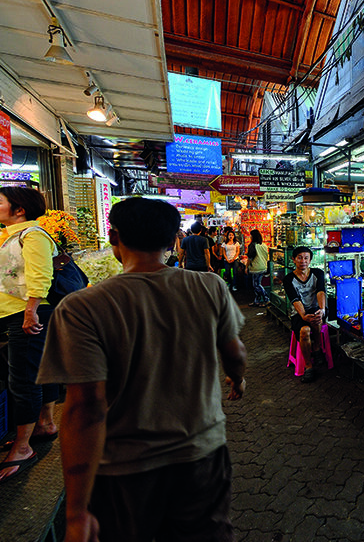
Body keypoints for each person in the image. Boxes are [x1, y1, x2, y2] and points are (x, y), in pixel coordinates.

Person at [37, 197, 247, 542]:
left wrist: (77, 511)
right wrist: (237, 379)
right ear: (171, 242)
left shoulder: (82, 307)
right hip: (201, 456)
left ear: (113, 237)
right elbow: (235, 351)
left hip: (123, 470)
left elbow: (84, 408)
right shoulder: (208, 287)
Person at [0, 187, 59, 481]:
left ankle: (23, 448)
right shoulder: (12, 235)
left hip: (27, 312)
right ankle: (45, 424)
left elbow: (40, 273)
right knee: (37, 372)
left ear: (19, 209)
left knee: (23, 379)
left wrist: (31, 309)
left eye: (0, 202)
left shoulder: (32, 235)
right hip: (19, 311)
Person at [282, 246, 327, 383]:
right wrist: (303, 316)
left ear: (310, 260)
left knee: (317, 317)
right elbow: (295, 299)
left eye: (306, 258)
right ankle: (308, 366)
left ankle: (317, 347)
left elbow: (320, 291)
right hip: (299, 312)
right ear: (293, 259)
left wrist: (322, 309)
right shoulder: (288, 279)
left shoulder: (318, 273)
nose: (303, 261)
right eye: (300, 258)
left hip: (316, 308)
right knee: (304, 330)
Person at [245, 229, 269, 307]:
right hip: (263, 266)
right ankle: (257, 301)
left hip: (256, 267)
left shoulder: (252, 245)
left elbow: (250, 258)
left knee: (257, 285)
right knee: (257, 285)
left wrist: (246, 267)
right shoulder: (264, 245)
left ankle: (266, 299)